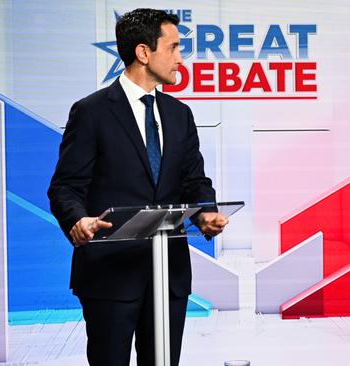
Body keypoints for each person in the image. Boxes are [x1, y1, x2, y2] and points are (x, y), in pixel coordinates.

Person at [47, 8, 228, 366]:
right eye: (174, 48)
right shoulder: (91, 112)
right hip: (110, 275)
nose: (180, 58)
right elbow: (65, 187)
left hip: (168, 275)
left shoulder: (180, 114)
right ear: (144, 53)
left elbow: (195, 181)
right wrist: (78, 221)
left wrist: (207, 211)